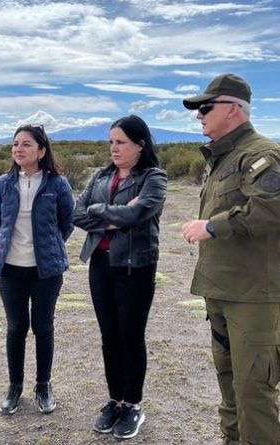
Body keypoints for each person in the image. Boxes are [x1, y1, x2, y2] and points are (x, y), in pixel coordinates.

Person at [180, 73, 280, 445]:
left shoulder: (262, 154)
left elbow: (275, 209)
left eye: (205, 107)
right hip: (222, 289)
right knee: (230, 384)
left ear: (233, 110)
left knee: (254, 391)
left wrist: (212, 227)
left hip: (253, 294)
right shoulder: (224, 156)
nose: (199, 115)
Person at [72, 115, 167, 441]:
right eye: (111, 141)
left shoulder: (153, 177)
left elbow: (138, 213)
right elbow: (77, 213)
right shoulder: (100, 175)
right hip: (101, 263)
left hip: (135, 267)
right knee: (109, 335)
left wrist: (100, 212)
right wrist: (112, 215)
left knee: (130, 335)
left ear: (139, 145)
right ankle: (114, 400)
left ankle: (133, 405)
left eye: (120, 142)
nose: (113, 148)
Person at [0, 124, 74, 416]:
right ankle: (14, 387)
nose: (18, 149)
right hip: (10, 269)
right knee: (16, 327)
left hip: (45, 271)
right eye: (15, 144)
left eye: (25, 144)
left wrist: (49, 248)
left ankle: (43, 385)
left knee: (43, 327)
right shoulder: (3, 183)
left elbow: (66, 223)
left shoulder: (57, 184)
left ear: (41, 150)